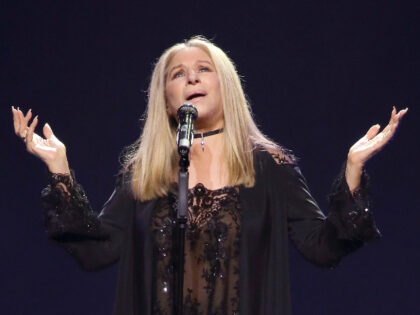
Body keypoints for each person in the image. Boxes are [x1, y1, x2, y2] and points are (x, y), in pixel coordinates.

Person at [11, 36, 407, 315]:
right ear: (166, 100)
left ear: (226, 86)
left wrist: (353, 167)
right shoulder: (143, 172)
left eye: (203, 69)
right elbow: (99, 251)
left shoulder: (268, 166)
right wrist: (59, 168)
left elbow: (322, 247)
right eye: (177, 74)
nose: (191, 78)